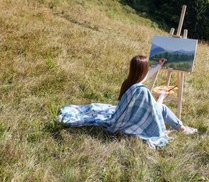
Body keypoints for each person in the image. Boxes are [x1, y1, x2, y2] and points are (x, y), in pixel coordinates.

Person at [58, 55, 197, 148]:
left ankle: (182, 128)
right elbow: (153, 110)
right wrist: (161, 97)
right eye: (148, 67)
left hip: (122, 116)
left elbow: (144, 78)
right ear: (142, 70)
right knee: (163, 108)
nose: (149, 69)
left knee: (163, 108)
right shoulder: (141, 91)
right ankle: (182, 129)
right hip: (131, 122)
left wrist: (158, 66)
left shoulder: (129, 82)